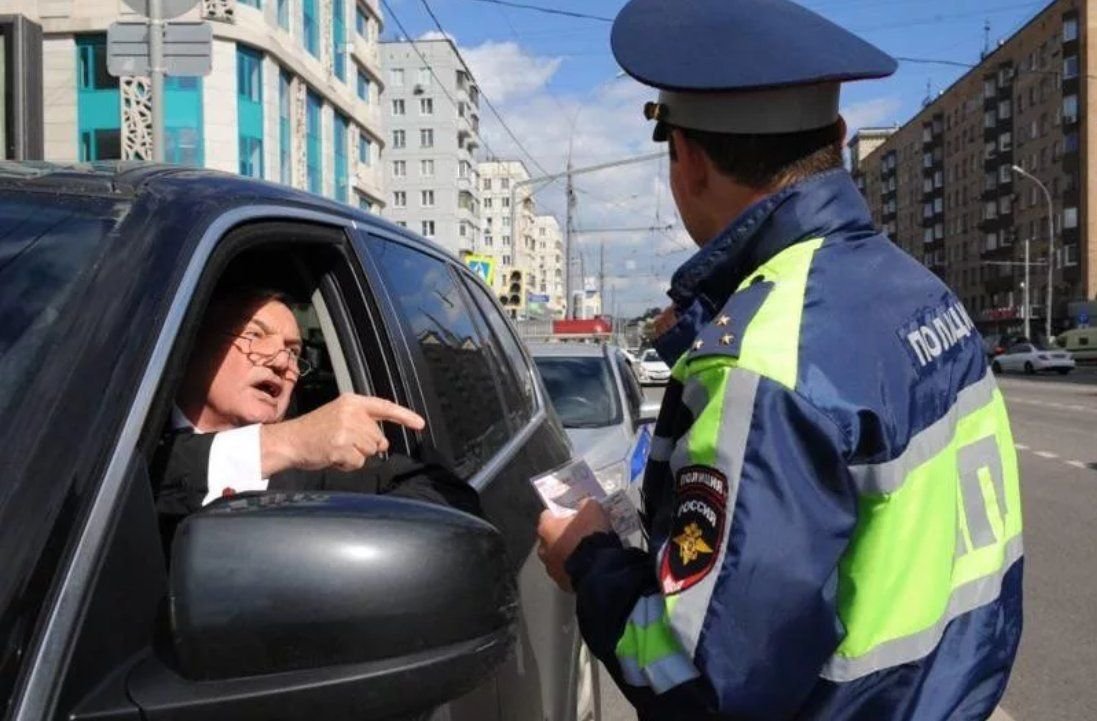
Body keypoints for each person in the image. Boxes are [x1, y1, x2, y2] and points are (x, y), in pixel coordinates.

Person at [536, 1, 1023, 719]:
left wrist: (589, 559)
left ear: (687, 161)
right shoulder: (912, 289)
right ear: (835, 136)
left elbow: (698, 686)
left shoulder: (760, 362)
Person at [154, 285, 479, 540]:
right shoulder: (122, 434)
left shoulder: (319, 470)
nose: (282, 363)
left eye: (293, 351)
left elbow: (451, 499)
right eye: (255, 335)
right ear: (191, 343)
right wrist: (281, 443)